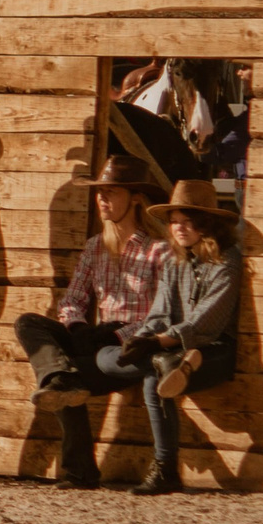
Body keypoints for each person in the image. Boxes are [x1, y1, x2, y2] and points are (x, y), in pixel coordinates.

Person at [14, 156, 167, 489]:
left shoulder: (159, 251)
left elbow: (161, 314)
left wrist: (114, 334)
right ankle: (60, 377)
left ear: (136, 197)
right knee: (29, 325)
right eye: (100, 193)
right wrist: (78, 327)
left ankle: (79, 470)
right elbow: (72, 301)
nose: (102, 199)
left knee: (67, 378)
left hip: (130, 348)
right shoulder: (96, 246)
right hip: (93, 341)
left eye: (111, 192)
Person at [95, 180, 252, 496]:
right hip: (167, 347)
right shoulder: (173, 258)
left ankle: (166, 470)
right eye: (174, 222)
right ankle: (173, 365)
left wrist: (159, 342)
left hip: (214, 348)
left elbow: (208, 320)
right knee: (105, 359)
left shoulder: (227, 260)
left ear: (205, 224)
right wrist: (141, 340)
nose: (178, 228)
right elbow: (159, 313)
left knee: (155, 376)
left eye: (187, 221)